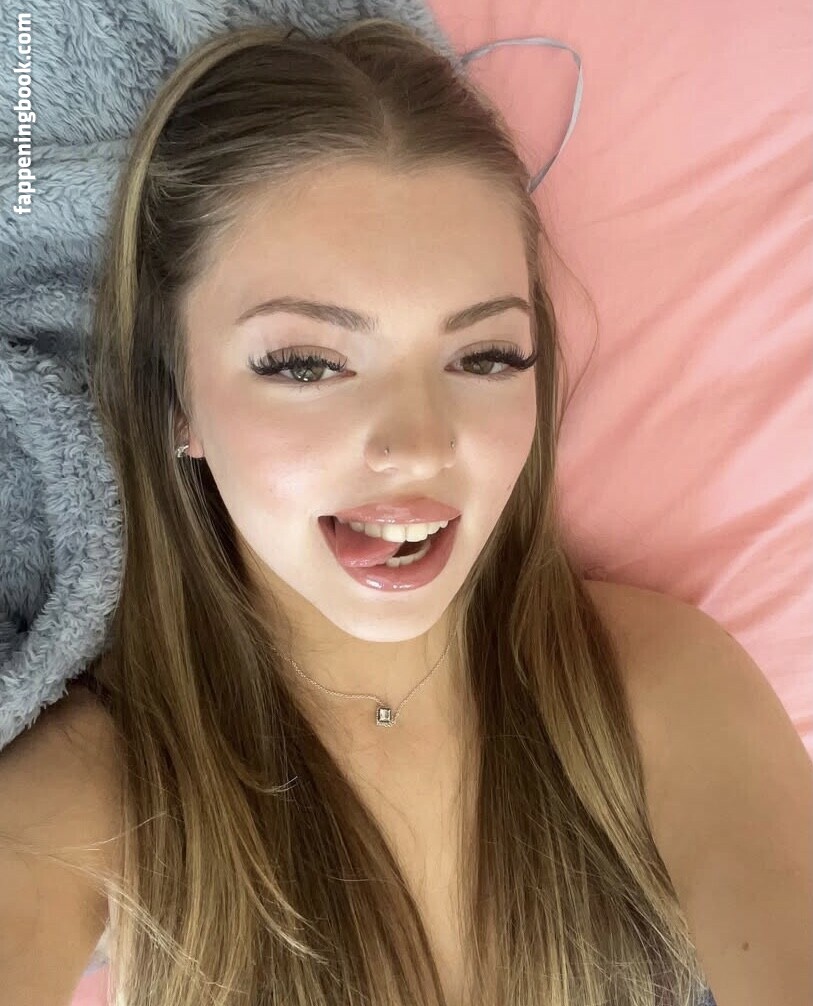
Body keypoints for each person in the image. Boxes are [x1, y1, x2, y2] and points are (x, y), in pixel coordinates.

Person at [70, 18, 712, 1006]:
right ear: (176, 401)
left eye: (485, 357)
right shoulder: (94, 791)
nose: (418, 445)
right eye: (306, 364)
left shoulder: (652, 687)